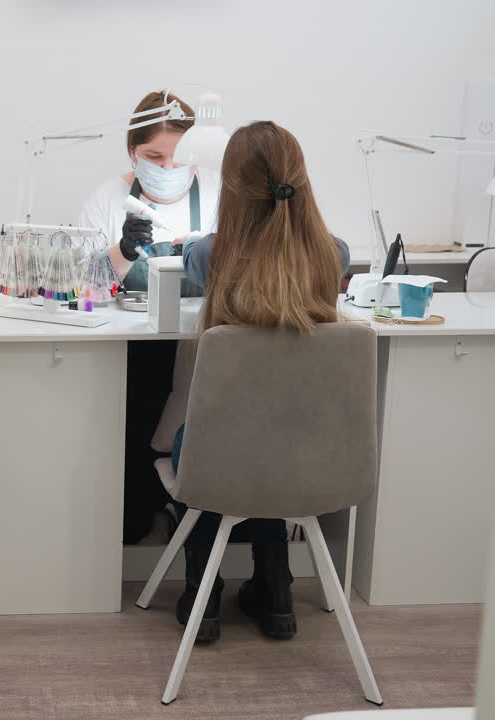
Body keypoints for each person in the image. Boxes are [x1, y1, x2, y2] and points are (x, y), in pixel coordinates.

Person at [165, 120, 351, 645]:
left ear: (231, 188)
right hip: (305, 451)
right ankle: (276, 591)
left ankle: (201, 597)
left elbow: (189, 261)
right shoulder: (333, 254)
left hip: (221, 450)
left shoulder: (209, 254)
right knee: (275, 449)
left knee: (204, 447)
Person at [78, 90, 222, 545]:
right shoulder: (107, 198)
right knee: (131, 520)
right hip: (134, 354)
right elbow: (83, 291)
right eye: (153, 157)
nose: (165, 169)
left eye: (177, 158)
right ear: (132, 152)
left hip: (207, 351)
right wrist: (121, 251)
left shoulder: (219, 191)